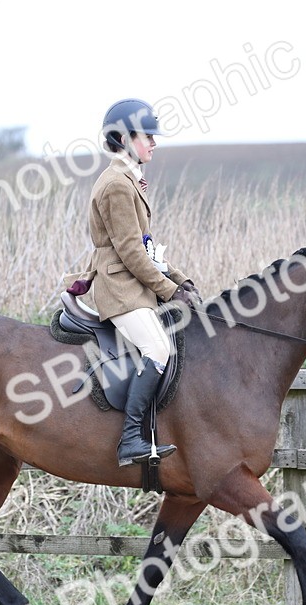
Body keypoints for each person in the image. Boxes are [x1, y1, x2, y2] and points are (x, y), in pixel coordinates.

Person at [72, 98, 202, 467]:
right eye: (147, 136)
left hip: (134, 285)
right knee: (159, 351)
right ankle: (130, 439)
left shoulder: (129, 180)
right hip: (119, 289)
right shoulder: (116, 184)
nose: (154, 143)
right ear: (124, 138)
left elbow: (147, 246)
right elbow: (130, 252)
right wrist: (168, 291)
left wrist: (181, 280)